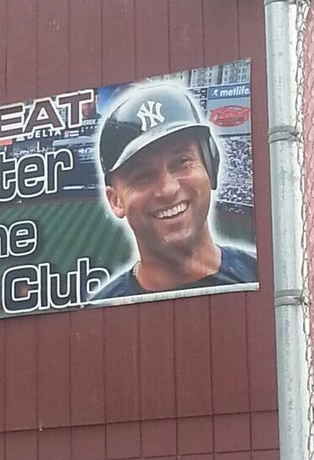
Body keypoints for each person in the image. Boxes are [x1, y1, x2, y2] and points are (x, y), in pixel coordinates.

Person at [92, 82, 257, 299]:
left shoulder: (267, 277)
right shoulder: (101, 313)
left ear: (210, 166)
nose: (168, 189)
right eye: (142, 176)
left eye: (182, 162)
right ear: (116, 201)